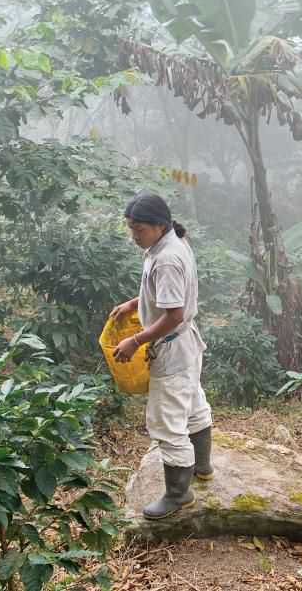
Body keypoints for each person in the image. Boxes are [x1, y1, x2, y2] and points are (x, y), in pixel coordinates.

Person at [110, 192, 213, 520]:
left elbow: (172, 314)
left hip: (171, 346)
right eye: (131, 229)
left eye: (138, 229)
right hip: (186, 346)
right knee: (193, 403)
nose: (133, 235)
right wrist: (133, 303)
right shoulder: (171, 243)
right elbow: (163, 296)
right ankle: (203, 466)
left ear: (158, 226)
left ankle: (178, 495)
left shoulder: (167, 258)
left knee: (167, 422)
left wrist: (135, 341)